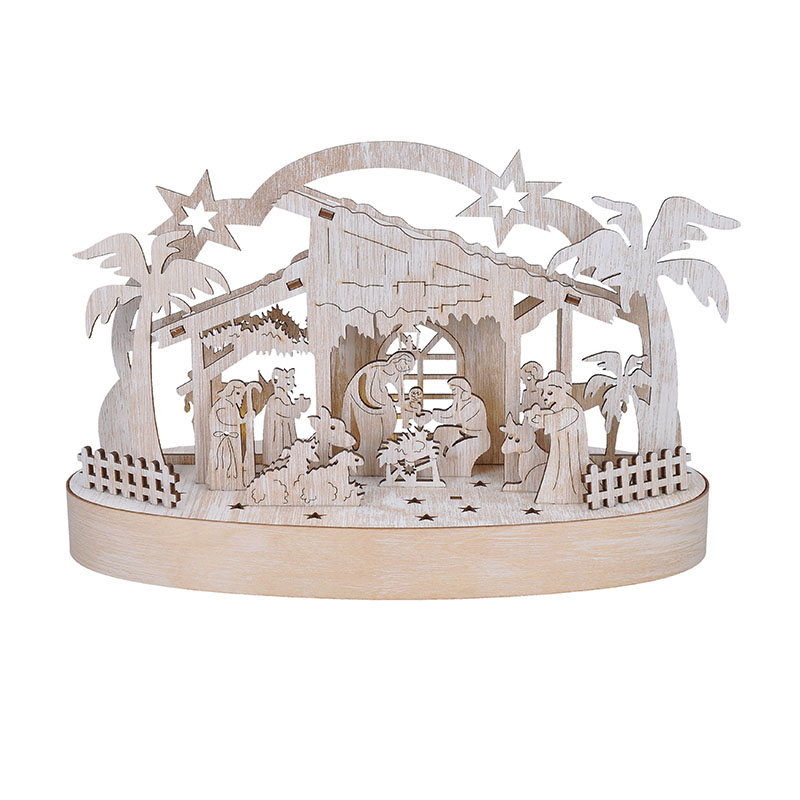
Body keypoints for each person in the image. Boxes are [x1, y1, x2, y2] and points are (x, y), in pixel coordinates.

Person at [341, 350, 415, 474]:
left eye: (408, 367)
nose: (405, 367)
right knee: (372, 434)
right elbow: (364, 387)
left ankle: (375, 463)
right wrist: (380, 403)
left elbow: (401, 397)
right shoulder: (376, 368)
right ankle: (364, 466)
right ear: (397, 358)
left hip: (380, 402)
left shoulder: (397, 376)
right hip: (362, 401)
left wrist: (407, 405)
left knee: (387, 425)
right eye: (405, 362)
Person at [534, 371, 590, 504]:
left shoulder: (571, 408)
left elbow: (561, 418)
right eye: (544, 393)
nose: (544, 397)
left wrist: (542, 420)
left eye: (549, 393)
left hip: (569, 454)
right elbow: (553, 415)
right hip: (560, 451)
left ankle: (566, 496)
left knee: (565, 474)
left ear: (560, 390)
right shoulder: (560, 406)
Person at [431, 377, 490, 476]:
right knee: (439, 431)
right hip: (464, 432)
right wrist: (433, 415)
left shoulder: (475, 403)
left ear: (462, 389)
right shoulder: (458, 401)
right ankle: (439, 465)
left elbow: (457, 419)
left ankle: (461, 471)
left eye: (454, 389)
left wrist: (437, 417)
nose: (452, 392)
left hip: (478, 436)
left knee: (454, 452)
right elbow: (449, 413)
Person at [262, 367, 310, 467]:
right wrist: (299, 406)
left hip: (286, 434)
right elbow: (287, 411)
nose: (291, 384)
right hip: (278, 438)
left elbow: (292, 412)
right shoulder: (275, 399)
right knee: (279, 457)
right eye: (288, 381)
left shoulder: (285, 398)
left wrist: (299, 406)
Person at [208, 380, 246, 490]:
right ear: (230, 392)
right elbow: (230, 422)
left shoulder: (232, 406)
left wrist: (244, 419)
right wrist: (244, 420)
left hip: (232, 440)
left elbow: (237, 420)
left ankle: (234, 482)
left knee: (232, 462)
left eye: (242, 394)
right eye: (238, 393)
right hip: (224, 440)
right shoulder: (222, 405)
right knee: (224, 461)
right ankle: (223, 483)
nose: (241, 397)